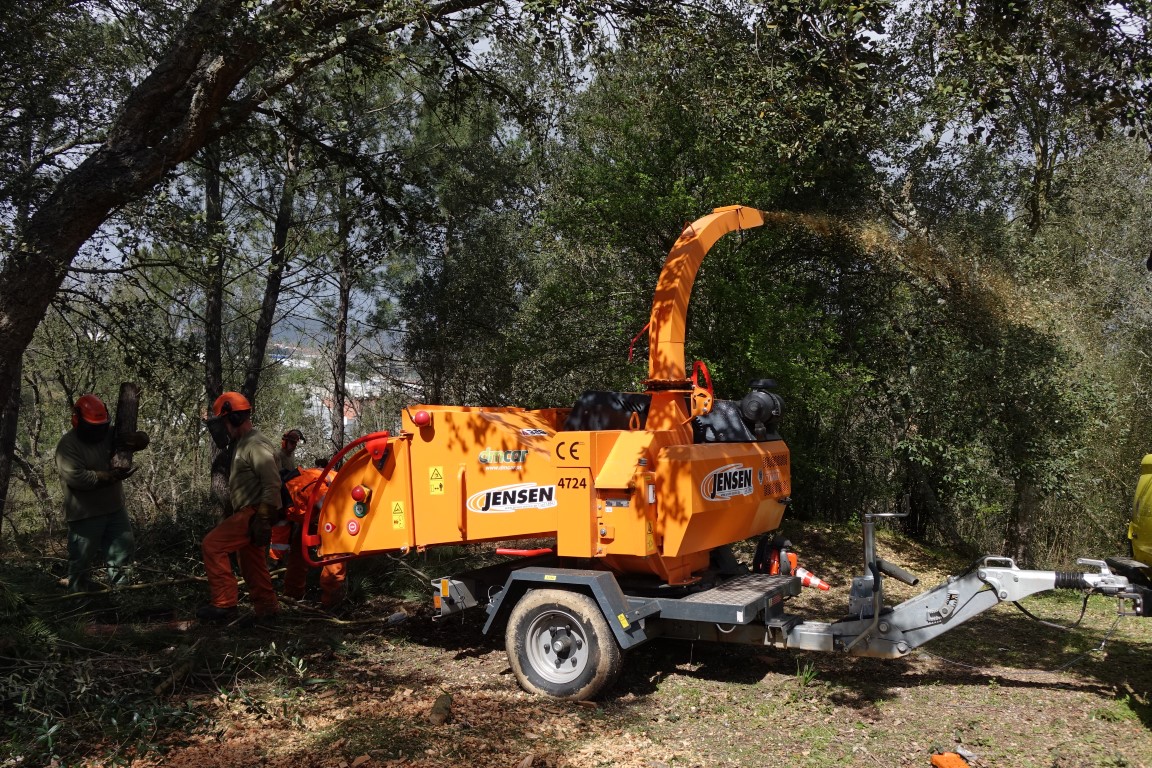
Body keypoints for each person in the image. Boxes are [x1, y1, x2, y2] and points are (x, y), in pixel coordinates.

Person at [197, 392, 282, 624]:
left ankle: (224, 604)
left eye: (222, 422)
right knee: (251, 562)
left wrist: (263, 517)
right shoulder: (242, 443)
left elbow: (273, 482)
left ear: (232, 419)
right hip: (252, 512)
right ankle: (267, 609)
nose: (221, 429)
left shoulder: (254, 444)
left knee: (212, 545)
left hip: (254, 512)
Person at [54, 394, 149, 593]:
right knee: (81, 562)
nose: (98, 431)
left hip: (114, 509)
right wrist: (110, 477)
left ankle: (122, 598)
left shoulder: (110, 434)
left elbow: (136, 441)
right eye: (93, 427)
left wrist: (139, 439)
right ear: (77, 421)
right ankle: (77, 604)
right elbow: (77, 479)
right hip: (85, 515)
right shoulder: (68, 446)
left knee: (123, 553)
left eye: (101, 426)